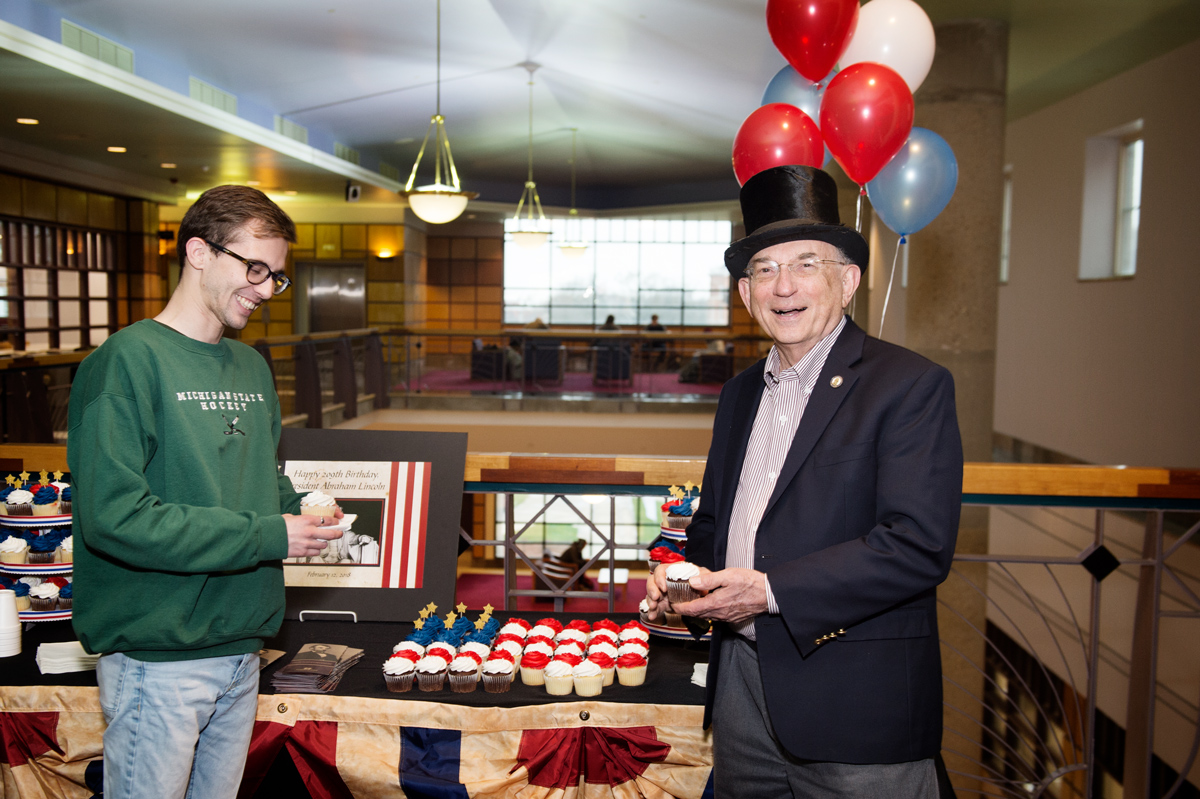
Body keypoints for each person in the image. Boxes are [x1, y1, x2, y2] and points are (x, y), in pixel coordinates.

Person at [646, 165, 963, 798]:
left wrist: (768, 592)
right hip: (740, 690)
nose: (783, 286)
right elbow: (715, 524)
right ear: (744, 293)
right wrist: (685, 581)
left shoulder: (908, 385)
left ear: (848, 281)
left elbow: (918, 544)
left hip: (855, 701)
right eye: (764, 269)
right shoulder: (738, 395)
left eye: (807, 264)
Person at [68, 185, 342, 799]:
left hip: (243, 648)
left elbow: (255, 481)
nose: (267, 289)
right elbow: (114, 518)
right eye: (255, 268)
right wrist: (273, 533)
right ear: (197, 251)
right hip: (158, 657)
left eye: (277, 276)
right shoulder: (125, 362)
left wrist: (300, 510)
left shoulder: (249, 366)